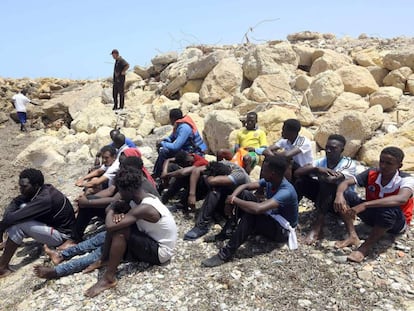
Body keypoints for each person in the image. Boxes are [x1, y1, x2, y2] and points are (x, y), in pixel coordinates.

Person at [83, 168, 177, 297]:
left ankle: (109, 278)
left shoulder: (145, 207)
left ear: (128, 190)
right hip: (151, 240)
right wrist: (118, 214)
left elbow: (110, 226)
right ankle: (104, 259)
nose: (119, 194)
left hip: (161, 253)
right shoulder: (139, 199)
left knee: (119, 230)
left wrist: (112, 206)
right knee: (118, 225)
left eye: (120, 190)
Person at [201, 154, 298, 267]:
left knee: (251, 215)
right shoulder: (271, 180)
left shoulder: (286, 191)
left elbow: (258, 209)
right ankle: (226, 232)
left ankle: (225, 254)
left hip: (283, 230)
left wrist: (234, 201)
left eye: (264, 170)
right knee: (245, 195)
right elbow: (245, 186)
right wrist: (232, 198)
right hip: (272, 217)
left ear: (272, 173)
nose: (262, 172)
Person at [333, 146, 414, 263]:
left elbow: (402, 199)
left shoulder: (406, 179)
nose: (383, 166)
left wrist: (365, 205)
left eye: (389, 163)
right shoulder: (372, 173)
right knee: (346, 195)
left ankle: (365, 247)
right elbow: (346, 182)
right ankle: (352, 235)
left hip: (396, 222)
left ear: (399, 166)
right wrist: (339, 194)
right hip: (374, 216)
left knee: (389, 209)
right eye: (382, 161)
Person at [0, 169, 75, 277]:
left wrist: (1, 229)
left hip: (63, 237)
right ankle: (9, 243)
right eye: (20, 186)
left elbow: (12, 218)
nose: (21, 190)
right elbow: (15, 203)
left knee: (18, 224)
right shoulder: (41, 190)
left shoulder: (45, 199)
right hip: (51, 227)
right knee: (20, 209)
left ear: (36, 185)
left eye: (24, 187)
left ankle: (2, 267)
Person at [293, 134, 356, 244]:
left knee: (328, 184)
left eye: (333, 148)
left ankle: (318, 226)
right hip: (324, 198)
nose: (328, 150)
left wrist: (317, 172)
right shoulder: (321, 162)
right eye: (327, 147)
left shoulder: (348, 163)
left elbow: (332, 180)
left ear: (342, 150)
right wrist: (317, 168)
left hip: (342, 202)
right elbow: (297, 173)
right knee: (301, 181)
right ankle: (291, 214)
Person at [183, 160, 250, 241]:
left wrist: (209, 177)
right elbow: (196, 170)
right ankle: (183, 203)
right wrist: (192, 194)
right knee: (199, 179)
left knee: (214, 191)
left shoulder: (239, 174)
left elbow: (212, 181)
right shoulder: (219, 165)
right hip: (225, 196)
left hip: (235, 205)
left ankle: (201, 226)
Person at [152, 108, 207, 178]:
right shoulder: (178, 125)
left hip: (194, 152)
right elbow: (172, 137)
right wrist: (164, 140)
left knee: (164, 151)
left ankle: (157, 175)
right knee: (162, 148)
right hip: (186, 149)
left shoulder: (184, 128)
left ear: (172, 118)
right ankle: (157, 171)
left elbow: (176, 147)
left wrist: (163, 143)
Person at [34, 231, 106, 279]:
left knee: (92, 258)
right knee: (88, 243)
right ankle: (60, 256)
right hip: (111, 233)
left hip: (116, 242)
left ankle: (56, 271)